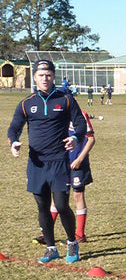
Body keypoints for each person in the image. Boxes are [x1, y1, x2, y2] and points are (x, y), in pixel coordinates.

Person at [7, 59, 86, 263]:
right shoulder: (26, 103)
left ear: (53, 76)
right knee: (42, 206)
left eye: (49, 74)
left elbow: (80, 124)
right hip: (36, 163)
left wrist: (76, 138)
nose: (45, 78)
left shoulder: (66, 99)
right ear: (35, 77)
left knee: (61, 205)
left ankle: (71, 242)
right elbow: (13, 127)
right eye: (41, 75)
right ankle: (51, 248)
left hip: (58, 161)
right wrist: (14, 142)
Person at [33, 109, 95, 246]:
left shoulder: (81, 114)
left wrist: (79, 159)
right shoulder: (56, 114)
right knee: (57, 197)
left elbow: (91, 139)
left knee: (78, 196)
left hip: (78, 165)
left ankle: (79, 234)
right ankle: (46, 233)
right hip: (61, 164)